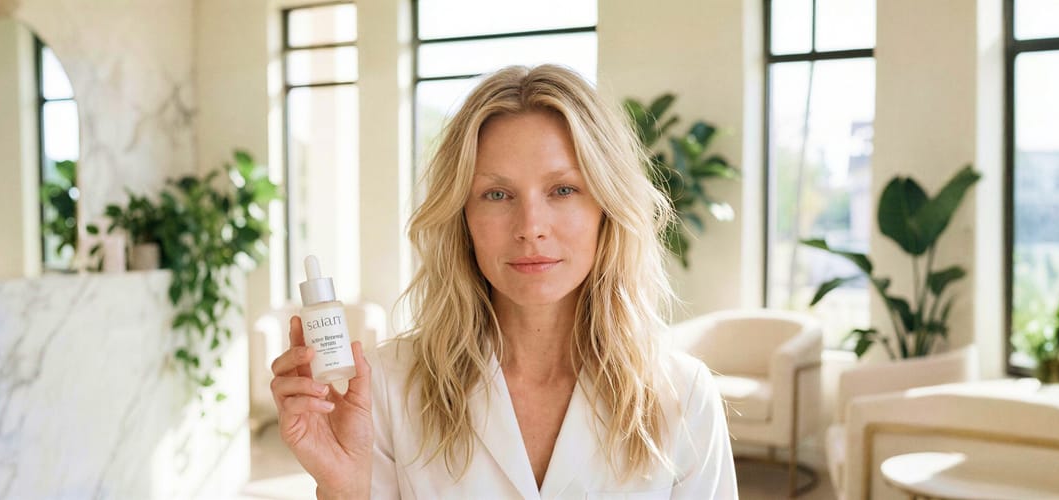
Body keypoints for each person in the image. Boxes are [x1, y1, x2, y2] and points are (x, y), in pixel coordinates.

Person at [269, 64, 737, 499]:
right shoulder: (386, 389)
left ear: (606, 208)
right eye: (497, 194)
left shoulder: (682, 395)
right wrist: (343, 486)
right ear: (463, 217)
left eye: (563, 190)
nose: (530, 225)